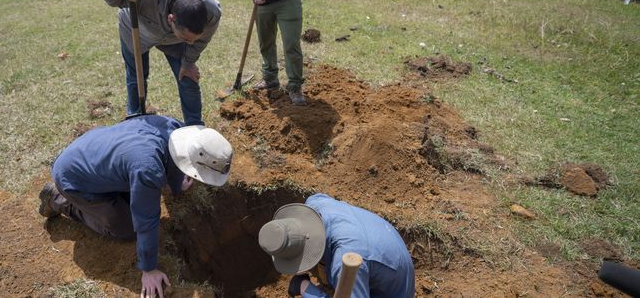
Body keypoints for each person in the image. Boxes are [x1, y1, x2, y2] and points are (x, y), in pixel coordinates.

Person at [38, 115, 233, 298]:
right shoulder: (148, 169)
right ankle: (57, 199)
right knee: (128, 228)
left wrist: (176, 182)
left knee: (137, 189)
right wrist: (148, 269)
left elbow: (171, 158)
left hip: (93, 151)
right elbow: (146, 219)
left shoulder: (174, 128)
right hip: (75, 179)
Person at [102, 0, 222, 125]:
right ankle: (134, 120)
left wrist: (188, 62)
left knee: (187, 75)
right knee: (136, 78)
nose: (191, 43)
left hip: (174, 39)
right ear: (171, 19)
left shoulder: (211, 12)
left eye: (193, 39)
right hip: (137, 31)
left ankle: (194, 126)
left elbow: (199, 42)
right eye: (187, 38)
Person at [258, 193, 415, 298]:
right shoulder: (316, 203)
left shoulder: (345, 262)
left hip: (393, 291)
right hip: (384, 251)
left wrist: (305, 288)